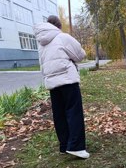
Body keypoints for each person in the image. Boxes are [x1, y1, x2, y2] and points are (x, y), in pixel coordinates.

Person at [33, 15, 89, 159]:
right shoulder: (62, 37)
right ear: (58, 26)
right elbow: (80, 54)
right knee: (73, 112)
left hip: (52, 83)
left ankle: (64, 145)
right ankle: (76, 146)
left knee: (60, 115)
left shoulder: (41, 43)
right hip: (67, 80)